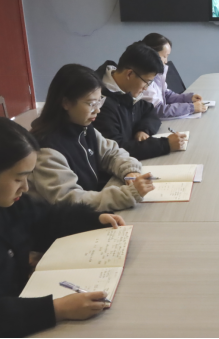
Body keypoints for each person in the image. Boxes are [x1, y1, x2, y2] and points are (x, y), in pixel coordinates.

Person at [0, 117, 126, 338]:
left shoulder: (11, 204)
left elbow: (48, 220)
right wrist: (58, 309)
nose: (26, 187)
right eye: (18, 179)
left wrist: (94, 219)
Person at [29, 64, 156, 212]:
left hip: (90, 210)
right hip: (63, 221)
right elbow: (70, 199)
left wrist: (129, 170)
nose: (98, 110)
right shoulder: (47, 149)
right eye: (91, 104)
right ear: (66, 103)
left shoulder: (83, 126)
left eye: (99, 101)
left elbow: (111, 153)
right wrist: (128, 195)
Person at [93, 42, 188, 161]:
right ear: (129, 74)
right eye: (147, 82)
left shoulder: (126, 90)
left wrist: (143, 129)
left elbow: (150, 110)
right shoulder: (99, 102)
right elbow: (116, 150)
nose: (146, 88)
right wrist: (165, 145)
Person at [141, 33, 207, 119]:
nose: (166, 61)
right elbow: (158, 110)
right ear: (151, 54)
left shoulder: (157, 74)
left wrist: (188, 98)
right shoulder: (143, 79)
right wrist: (191, 108)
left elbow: (166, 95)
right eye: (164, 56)